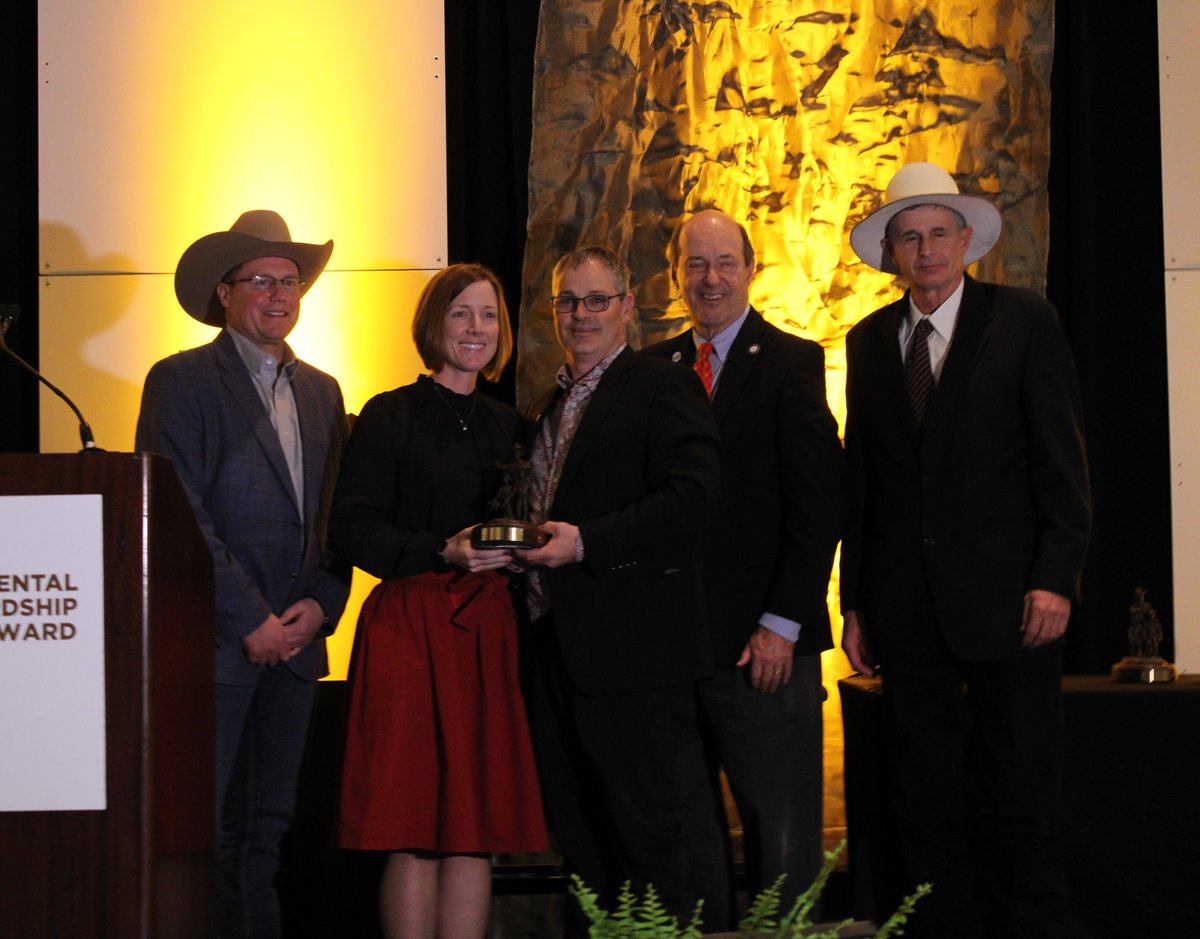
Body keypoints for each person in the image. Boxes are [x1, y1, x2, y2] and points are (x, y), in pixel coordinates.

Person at [840, 162, 1092, 938]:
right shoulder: (868, 341)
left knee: (1020, 801)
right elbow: (864, 486)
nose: (925, 250)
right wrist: (854, 603)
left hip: (1013, 609)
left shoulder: (1022, 322)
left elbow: (1062, 464)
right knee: (925, 804)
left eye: (938, 233)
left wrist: (1055, 578)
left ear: (965, 241)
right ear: (890, 250)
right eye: (908, 237)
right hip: (908, 617)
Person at [135, 210, 351, 939]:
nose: (279, 294)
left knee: (267, 833)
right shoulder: (181, 381)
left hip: (295, 648)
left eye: (290, 281)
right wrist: (250, 618)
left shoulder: (324, 391)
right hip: (216, 648)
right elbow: (178, 511)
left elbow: (336, 518)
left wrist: (321, 606)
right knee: (209, 838)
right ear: (224, 293)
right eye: (261, 279)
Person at [329, 264, 546, 939]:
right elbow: (351, 528)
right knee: (413, 822)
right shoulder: (389, 412)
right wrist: (439, 550)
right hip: (410, 628)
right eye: (461, 314)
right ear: (434, 325)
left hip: (488, 629)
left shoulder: (514, 425)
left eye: (487, 315)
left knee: (472, 826)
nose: (475, 328)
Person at [643, 208, 845, 926]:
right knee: (689, 839)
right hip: (675, 652)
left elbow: (817, 506)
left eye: (724, 261)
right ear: (676, 275)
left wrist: (781, 623)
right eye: (695, 264)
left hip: (766, 649)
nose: (710, 278)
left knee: (780, 844)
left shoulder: (791, 363)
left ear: (752, 269)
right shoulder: (652, 371)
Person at [517, 245, 720, 932]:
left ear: (628, 307)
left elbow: (695, 497)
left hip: (633, 657)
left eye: (596, 299)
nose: (581, 314)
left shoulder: (661, 384)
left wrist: (588, 542)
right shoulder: (551, 401)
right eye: (568, 301)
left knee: (646, 841)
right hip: (556, 654)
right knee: (580, 842)